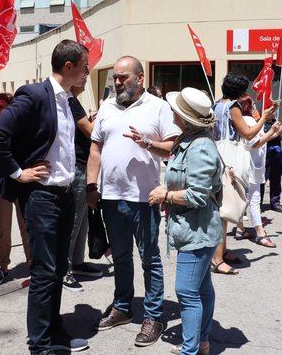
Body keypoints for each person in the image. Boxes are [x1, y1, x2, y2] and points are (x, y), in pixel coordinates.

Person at [0, 40, 90, 354]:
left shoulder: (69, 101)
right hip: (42, 196)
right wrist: (18, 173)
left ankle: (55, 333)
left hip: (65, 194)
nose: (88, 72)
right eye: (85, 66)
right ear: (69, 67)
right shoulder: (34, 95)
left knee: (58, 268)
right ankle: (40, 344)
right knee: (44, 270)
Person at [86, 56, 180, 347]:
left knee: (149, 257)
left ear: (140, 78)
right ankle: (123, 307)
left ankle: (153, 315)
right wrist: (91, 185)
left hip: (145, 198)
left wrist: (148, 144)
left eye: (123, 77)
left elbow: (174, 147)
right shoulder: (107, 107)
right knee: (121, 257)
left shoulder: (158, 107)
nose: (117, 82)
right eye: (115, 77)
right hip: (112, 197)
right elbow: (96, 148)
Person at [147, 87, 222, 355]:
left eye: (175, 110)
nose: (171, 112)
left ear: (185, 117)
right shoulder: (189, 139)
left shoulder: (199, 147)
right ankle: (201, 343)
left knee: (187, 292)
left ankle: (191, 350)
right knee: (201, 288)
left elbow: (198, 196)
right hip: (196, 230)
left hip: (197, 232)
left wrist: (164, 194)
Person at [211, 73, 276, 274]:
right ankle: (217, 259)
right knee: (225, 207)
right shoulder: (233, 107)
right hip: (229, 156)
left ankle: (223, 250)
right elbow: (248, 133)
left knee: (223, 205)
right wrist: (264, 119)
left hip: (217, 152)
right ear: (239, 91)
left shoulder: (215, 105)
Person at [0, 92, 31, 287]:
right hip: (0, 181)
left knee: (27, 226)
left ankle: (33, 264)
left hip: (21, 180)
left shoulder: (20, 124)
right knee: (3, 229)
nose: (1, 111)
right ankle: (3, 267)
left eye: (4, 108)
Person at [63, 85, 103, 292]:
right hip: (77, 166)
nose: (86, 78)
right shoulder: (69, 100)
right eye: (83, 73)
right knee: (74, 220)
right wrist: (100, 117)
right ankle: (65, 270)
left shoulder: (74, 101)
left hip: (83, 165)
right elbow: (91, 131)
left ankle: (77, 263)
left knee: (83, 220)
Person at [236, 96, 282, 247]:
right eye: (253, 105)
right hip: (250, 167)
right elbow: (255, 144)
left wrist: (275, 133)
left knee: (242, 198)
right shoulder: (248, 121)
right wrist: (272, 131)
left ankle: (240, 228)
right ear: (247, 107)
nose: (256, 107)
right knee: (254, 199)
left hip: (252, 165)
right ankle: (260, 233)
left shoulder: (249, 121)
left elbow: (261, 139)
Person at [260, 116, 282, 213]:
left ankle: (275, 202)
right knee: (262, 180)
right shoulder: (261, 123)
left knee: (276, 179)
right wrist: (275, 133)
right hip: (264, 154)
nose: (273, 113)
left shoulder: (276, 122)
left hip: (277, 154)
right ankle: (258, 204)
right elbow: (262, 139)